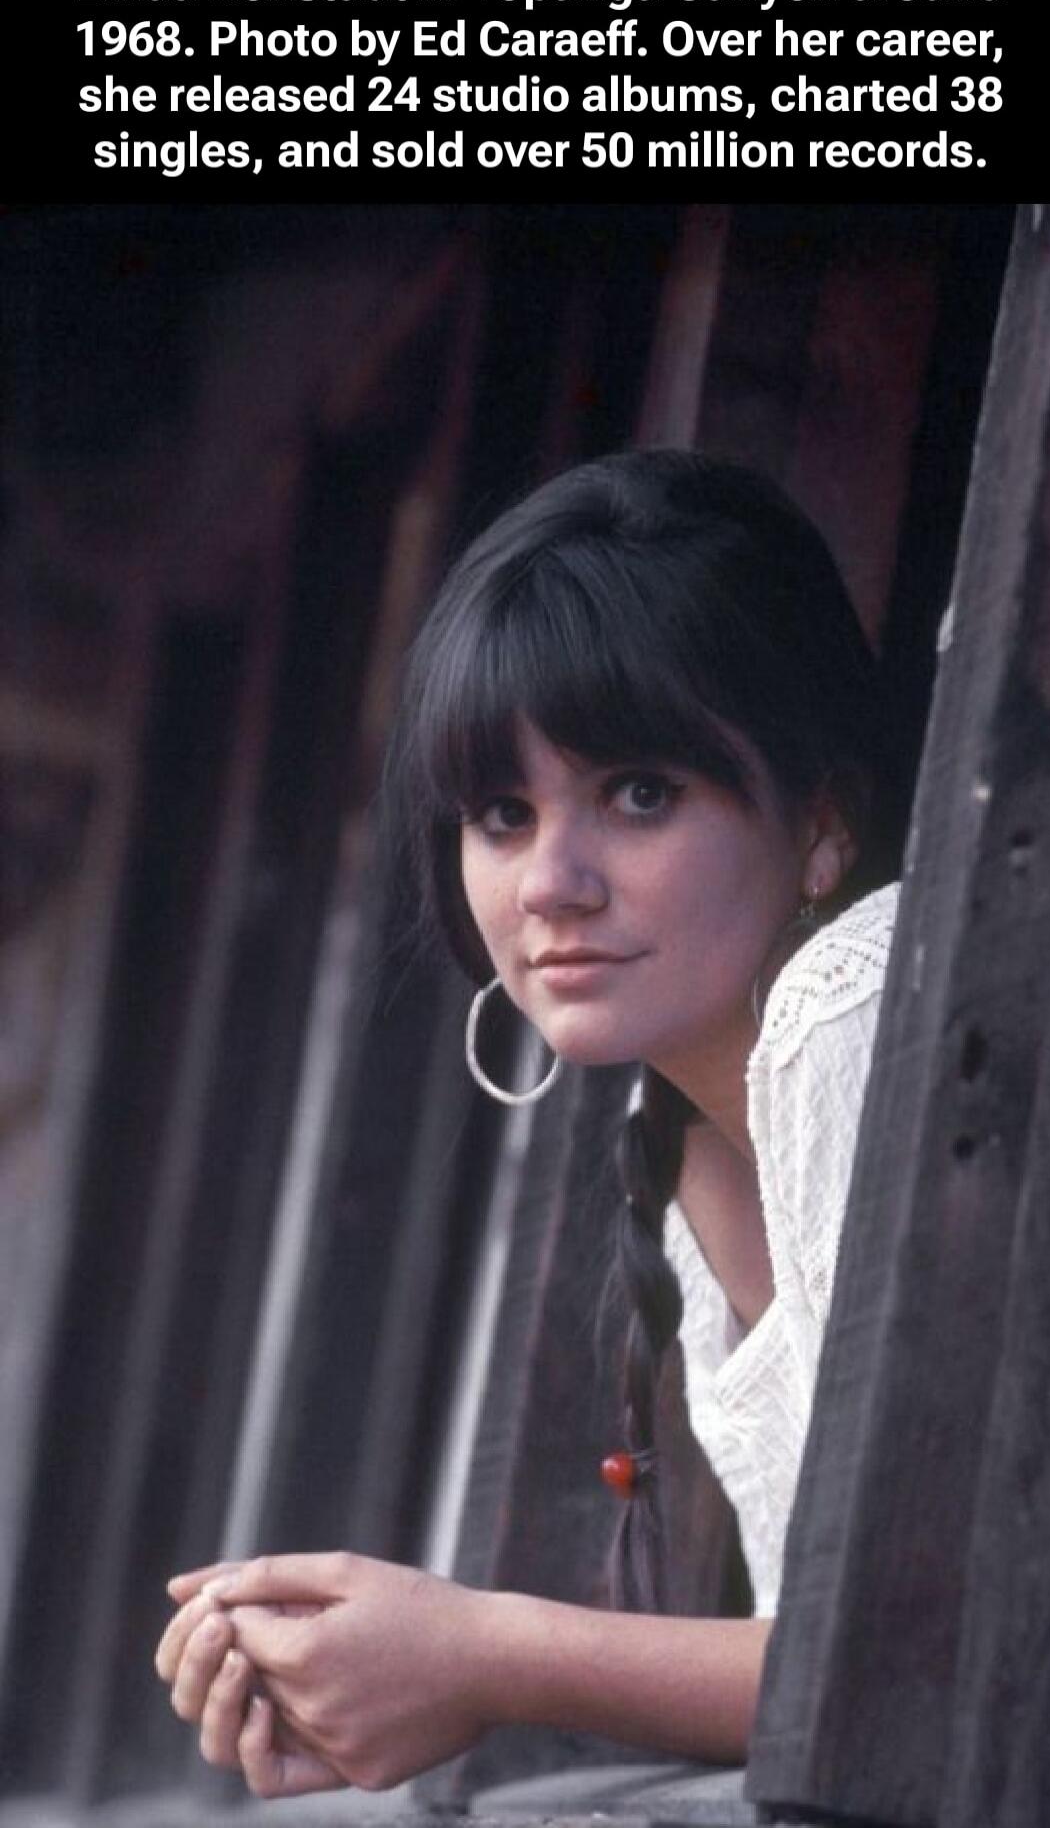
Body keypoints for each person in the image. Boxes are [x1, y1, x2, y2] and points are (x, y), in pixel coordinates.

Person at [155, 450, 903, 1796]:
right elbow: (849, 1679)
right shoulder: (683, 1137)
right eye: (503, 811)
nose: (550, 884)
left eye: (638, 794)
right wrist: (376, 1677)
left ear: (824, 822)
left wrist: (484, 1656)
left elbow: (913, 1667)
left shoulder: (853, 1012)